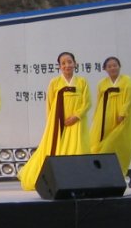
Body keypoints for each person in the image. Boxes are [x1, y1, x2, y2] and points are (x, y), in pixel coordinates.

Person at [18, 51, 91, 191]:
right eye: (63, 63)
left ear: (75, 63)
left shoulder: (82, 82)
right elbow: (50, 104)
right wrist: (52, 124)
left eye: (69, 62)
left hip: (77, 122)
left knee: (78, 147)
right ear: (59, 66)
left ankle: (75, 178)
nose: (67, 65)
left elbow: (87, 102)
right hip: (58, 122)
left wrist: (76, 116)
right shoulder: (54, 82)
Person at [90, 56, 131, 175]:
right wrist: (96, 117)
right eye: (109, 66)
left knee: (118, 142)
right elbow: (99, 101)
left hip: (121, 117)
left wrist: (123, 113)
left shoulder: (127, 81)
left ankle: (119, 171)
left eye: (115, 65)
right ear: (105, 69)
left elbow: (129, 100)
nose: (113, 68)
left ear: (119, 66)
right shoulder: (102, 83)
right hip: (104, 116)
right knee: (98, 142)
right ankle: (99, 170)